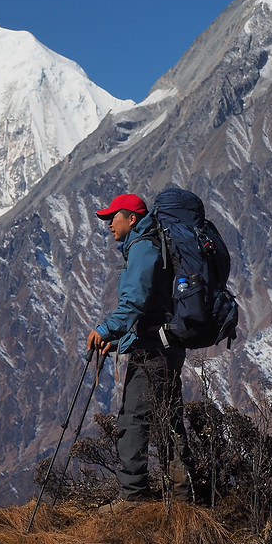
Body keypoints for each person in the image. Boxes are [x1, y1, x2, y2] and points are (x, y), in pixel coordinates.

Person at [87, 193, 192, 502]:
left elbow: (135, 301)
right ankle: (184, 495)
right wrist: (119, 341)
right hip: (166, 344)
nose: (108, 224)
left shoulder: (143, 248)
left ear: (131, 218)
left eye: (112, 217)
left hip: (152, 352)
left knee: (133, 419)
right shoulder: (150, 245)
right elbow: (153, 309)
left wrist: (106, 330)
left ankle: (132, 497)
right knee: (168, 418)